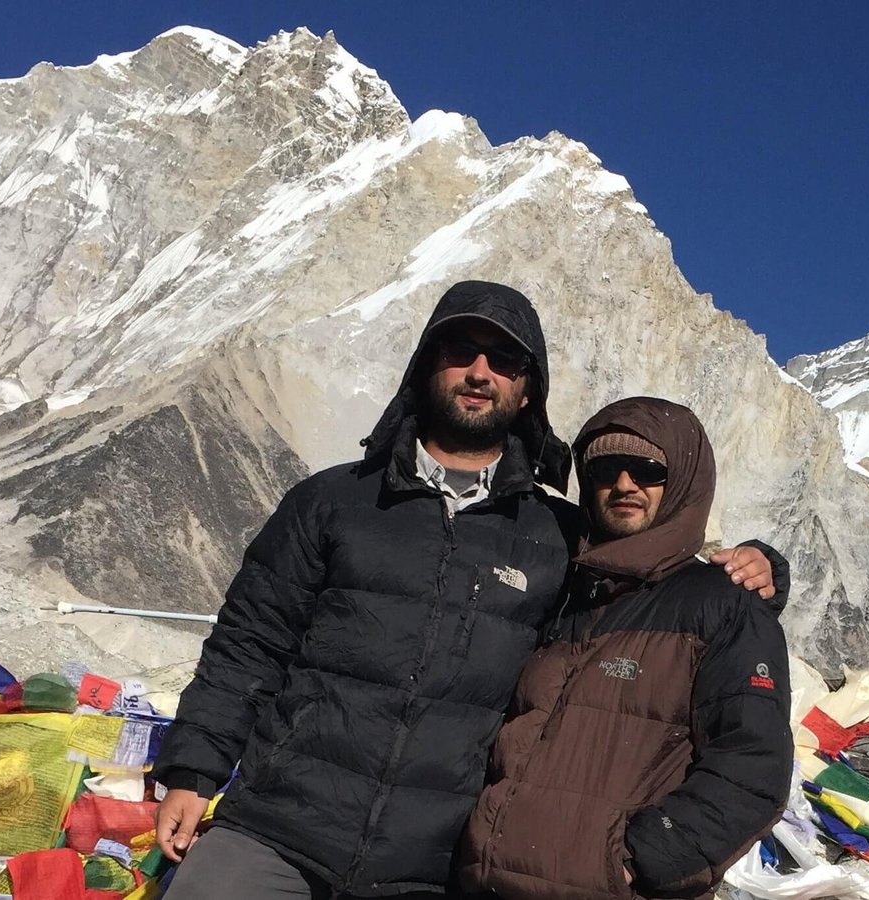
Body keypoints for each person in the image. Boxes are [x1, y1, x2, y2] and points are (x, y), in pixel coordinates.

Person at [151, 282, 784, 899]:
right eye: (461, 351)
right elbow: (250, 643)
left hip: (430, 861)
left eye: (504, 359)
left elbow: (652, 563)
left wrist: (761, 567)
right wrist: (194, 770)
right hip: (278, 827)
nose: (480, 372)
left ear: (527, 388)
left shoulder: (559, 535)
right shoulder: (332, 501)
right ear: (428, 364)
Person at [459, 397, 793, 900]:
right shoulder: (566, 591)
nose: (623, 484)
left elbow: (753, 764)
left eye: (647, 470)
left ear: (682, 481)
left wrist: (639, 860)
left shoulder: (722, 602)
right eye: (605, 468)